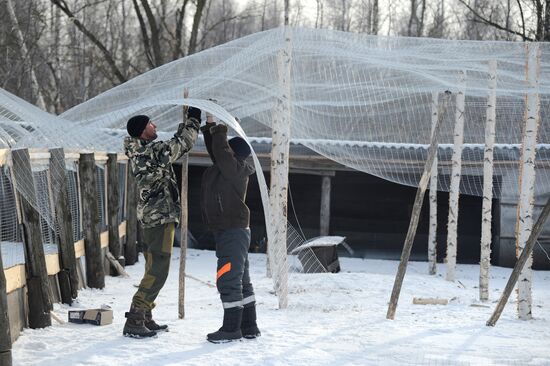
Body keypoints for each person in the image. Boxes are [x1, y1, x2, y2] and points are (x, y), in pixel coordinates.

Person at [122, 97, 201, 338]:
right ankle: (135, 317)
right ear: (142, 131)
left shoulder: (144, 150)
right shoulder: (151, 151)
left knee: (152, 266)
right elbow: (181, 144)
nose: (155, 125)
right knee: (159, 268)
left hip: (154, 216)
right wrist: (194, 121)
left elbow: (174, 144)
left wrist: (185, 123)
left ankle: (145, 315)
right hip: (159, 216)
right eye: (150, 124)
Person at [200, 113, 261, 343]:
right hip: (234, 230)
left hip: (232, 231)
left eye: (226, 150)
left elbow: (221, 151)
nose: (221, 153)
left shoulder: (234, 169)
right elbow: (218, 151)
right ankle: (249, 326)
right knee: (241, 280)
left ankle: (231, 329)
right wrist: (210, 126)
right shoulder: (228, 167)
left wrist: (221, 127)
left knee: (227, 278)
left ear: (233, 154)